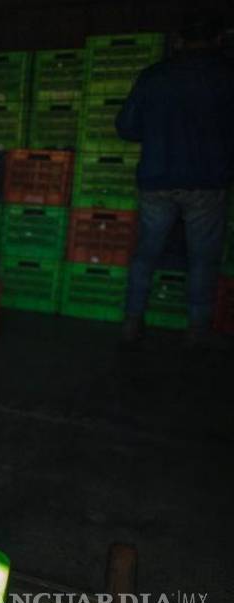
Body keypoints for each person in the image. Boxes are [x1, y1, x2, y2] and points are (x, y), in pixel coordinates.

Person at [115, 10, 234, 350]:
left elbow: (126, 127)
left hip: (157, 177)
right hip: (207, 181)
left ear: (179, 40)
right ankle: (197, 331)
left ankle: (132, 322)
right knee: (203, 258)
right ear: (219, 39)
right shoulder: (227, 76)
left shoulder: (154, 76)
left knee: (146, 253)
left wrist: (160, 132)